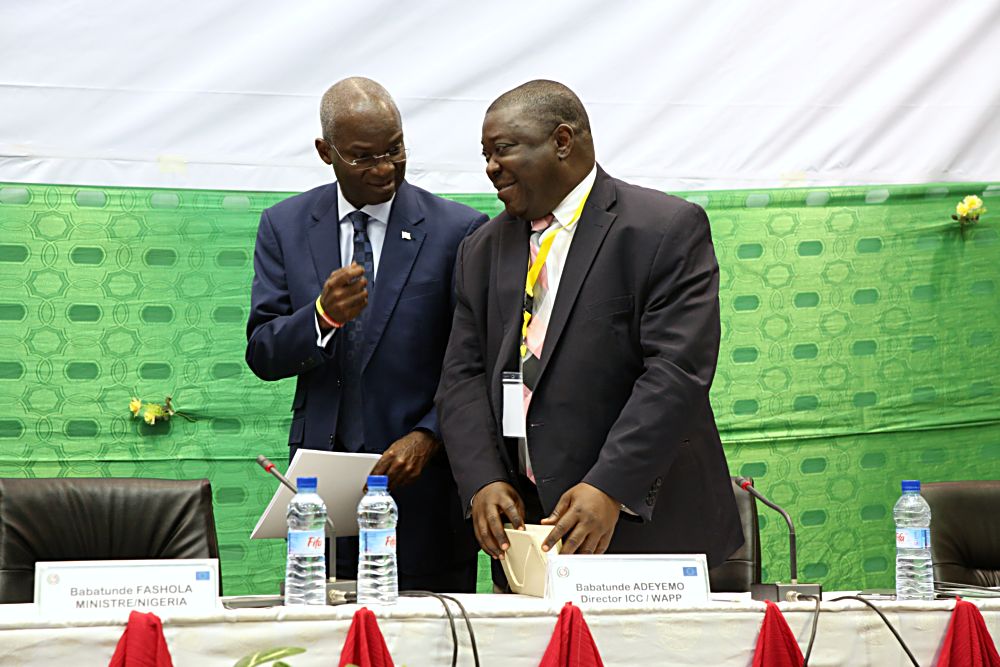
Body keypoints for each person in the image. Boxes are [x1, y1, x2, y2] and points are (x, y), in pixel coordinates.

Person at [435, 80, 743, 586]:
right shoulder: (481, 249)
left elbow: (675, 372)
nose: (491, 166)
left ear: (562, 141)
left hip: (646, 537)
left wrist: (610, 487)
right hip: (529, 541)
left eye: (504, 149)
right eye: (485, 154)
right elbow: (462, 378)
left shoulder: (663, 229)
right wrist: (482, 480)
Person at [246, 77, 486, 592]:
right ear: (324, 152)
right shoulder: (284, 225)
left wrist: (429, 434)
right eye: (362, 157)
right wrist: (321, 317)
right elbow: (263, 353)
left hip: (424, 488)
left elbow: (475, 359)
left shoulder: (458, 230)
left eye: (394, 149)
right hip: (322, 501)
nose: (384, 168)